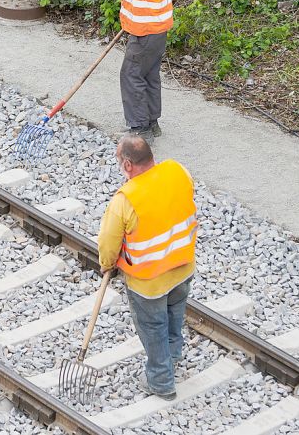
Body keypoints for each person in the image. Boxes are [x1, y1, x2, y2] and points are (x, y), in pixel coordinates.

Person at [98, 135, 196, 400]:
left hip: (149, 282)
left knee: (153, 328)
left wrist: (107, 265)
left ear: (128, 164)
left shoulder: (125, 200)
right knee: (175, 315)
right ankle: (173, 354)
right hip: (183, 267)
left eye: (119, 162)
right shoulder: (178, 171)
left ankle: (161, 381)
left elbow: (108, 243)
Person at [116, 0, 174, 144]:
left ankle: (140, 130)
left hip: (147, 34)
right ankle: (151, 122)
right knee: (148, 75)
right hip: (154, 31)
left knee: (131, 75)